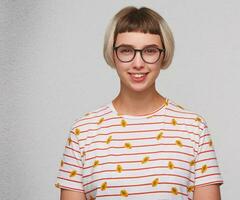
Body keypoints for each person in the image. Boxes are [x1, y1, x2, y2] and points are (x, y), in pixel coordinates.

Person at [55, 6, 224, 200]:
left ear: (164, 55)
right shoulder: (83, 132)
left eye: (150, 51)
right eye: (126, 51)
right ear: (113, 55)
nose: (138, 63)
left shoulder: (194, 129)